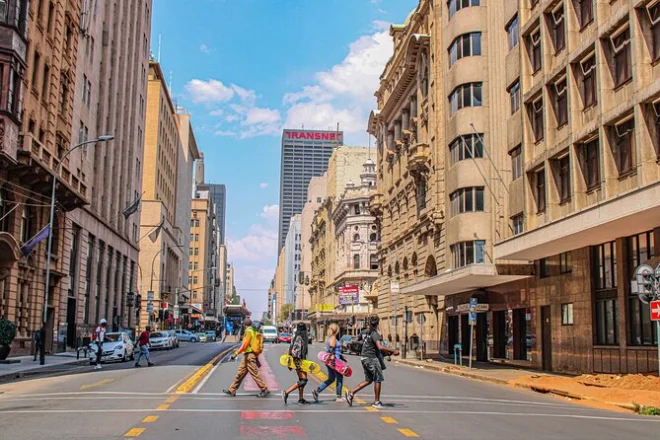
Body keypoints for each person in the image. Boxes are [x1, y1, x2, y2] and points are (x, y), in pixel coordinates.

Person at [345, 315, 399, 408]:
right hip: (371, 358)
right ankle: (376, 402)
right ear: (378, 324)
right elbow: (380, 347)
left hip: (364, 358)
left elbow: (355, 340)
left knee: (369, 380)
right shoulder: (375, 334)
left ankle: (351, 393)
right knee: (378, 379)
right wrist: (393, 351)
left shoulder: (364, 332)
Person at [223, 319, 270, 398]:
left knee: (254, 374)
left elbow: (245, 345)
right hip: (247, 355)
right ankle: (232, 390)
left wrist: (236, 353)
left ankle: (264, 389)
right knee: (240, 373)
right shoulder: (253, 330)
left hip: (249, 356)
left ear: (244, 325)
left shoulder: (248, 331)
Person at [312, 323, 343, 403]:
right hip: (334, 361)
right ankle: (339, 397)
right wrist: (333, 362)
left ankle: (317, 391)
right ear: (336, 330)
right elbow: (332, 350)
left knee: (331, 379)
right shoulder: (333, 338)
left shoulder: (330, 337)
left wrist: (341, 357)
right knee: (339, 378)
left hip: (330, 360)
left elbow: (334, 350)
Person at [282, 322, 310, 405]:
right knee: (303, 381)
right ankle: (286, 392)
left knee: (301, 380)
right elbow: (295, 352)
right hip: (298, 362)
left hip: (302, 362)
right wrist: (297, 365)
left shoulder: (298, 337)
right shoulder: (299, 338)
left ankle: (301, 399)